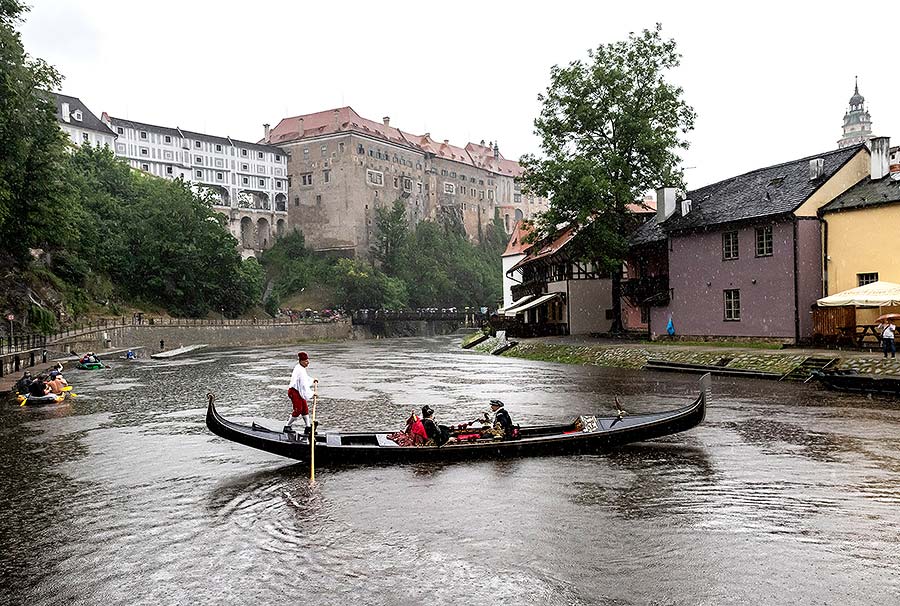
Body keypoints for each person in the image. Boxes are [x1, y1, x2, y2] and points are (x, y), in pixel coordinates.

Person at [285, 351, 316, 435]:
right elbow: (304, 385)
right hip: (294, 392)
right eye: (306, 361)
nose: (307, 363)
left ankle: (308, 427)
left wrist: (313, 380)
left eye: (308, 361)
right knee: (298, 410)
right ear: (301, 361)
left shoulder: (301, 368)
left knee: (305, 409)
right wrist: (312, 393)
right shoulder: (299, 370)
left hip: (299, 391)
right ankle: (287, 426)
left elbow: (305, 379)